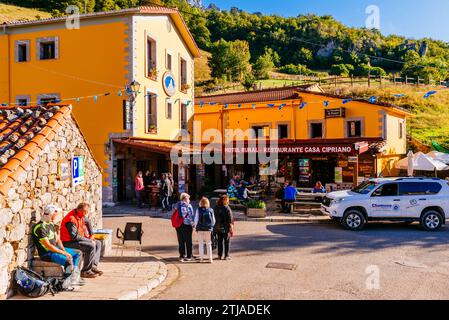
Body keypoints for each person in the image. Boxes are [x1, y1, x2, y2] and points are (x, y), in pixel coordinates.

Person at [32, 205, 82, 287]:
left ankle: (73, 277)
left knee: (78, 253)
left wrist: (64, 250)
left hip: (56, 249)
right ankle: (67, 283)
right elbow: (48, 246)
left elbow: (58, 240)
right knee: (68, 261)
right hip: (47, 253)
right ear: (51, 214)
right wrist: (64, 253)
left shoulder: (50, 223)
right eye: (56, 213)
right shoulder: (40, 227)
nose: (57, 215)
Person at [60, 203, 103, 279]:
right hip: (68, 242)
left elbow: (88, 221)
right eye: (85, 212)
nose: (86, 214)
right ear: (80, 211)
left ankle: (93, 266)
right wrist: (89, 240)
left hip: (76, 240)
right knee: (91, 246)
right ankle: (85, 271)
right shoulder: (71, 219)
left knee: (98, 243)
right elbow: (74, 237)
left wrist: (91, 234)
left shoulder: (80, 215)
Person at [194, 197, 215, 263]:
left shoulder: (198, 210)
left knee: (201, 244)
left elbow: (196, 220)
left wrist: (195, 227)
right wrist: (211, 226)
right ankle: (210, 258)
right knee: (208, 244)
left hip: (200, 229)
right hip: (208, 229)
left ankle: (201, 258)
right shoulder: (211, 210)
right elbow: (213, 221)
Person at [175, 193, 195, 262]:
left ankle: (182, 256)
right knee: (188, 241)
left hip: (178, 225)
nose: (189, 200)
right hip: (186, 225)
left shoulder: (177, 205)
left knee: (181, 241)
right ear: (185, 198)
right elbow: (190, 216)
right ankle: (189, 256)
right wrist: (192, 224)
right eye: (188, 198)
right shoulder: (188, 206)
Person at [213, 195, 234, 260]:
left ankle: (219, 255)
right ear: (224, 200)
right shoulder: (227, 208)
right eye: (227, 200)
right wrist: (231, 227)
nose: (228, 201)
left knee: (219, 241)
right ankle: (226, 256)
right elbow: (230, 219)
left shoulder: (216, 207)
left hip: (217, 227)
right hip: (225, 227)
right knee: (227, 242)